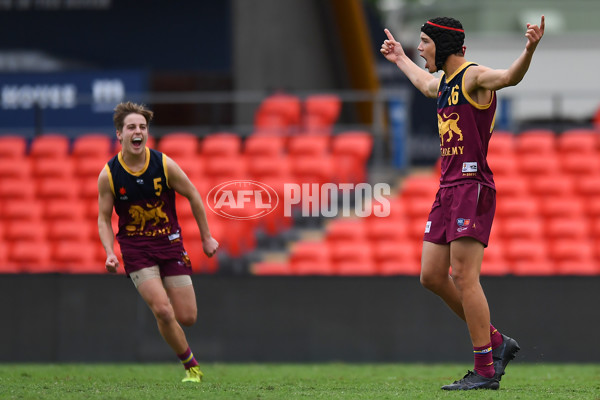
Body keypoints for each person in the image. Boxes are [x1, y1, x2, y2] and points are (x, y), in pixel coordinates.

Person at [381, 16, 544, 390]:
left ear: (441, 44)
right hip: (448, 188)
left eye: (423, 42)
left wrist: (529, 49)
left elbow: (509, 77)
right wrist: (400, 58)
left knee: (464, 276)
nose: (420, 48)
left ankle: (486, 370)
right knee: (431, 276)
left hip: (472, 185)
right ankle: (498, 342)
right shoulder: (443, 82)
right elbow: (424, 84)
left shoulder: (473, 76)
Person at [97, 102, 219, 383]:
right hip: (136, 250)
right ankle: (192, 368)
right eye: (131, 127)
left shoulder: (164, 164)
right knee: (163, 310)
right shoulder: (109, 174)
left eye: (142, 127)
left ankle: (175, 330)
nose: (137, 131)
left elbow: (193, 195)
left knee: (187, 317)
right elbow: (104, 219)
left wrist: (206, 237)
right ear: (119, 134)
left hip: (170, 244)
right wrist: (109, 252)